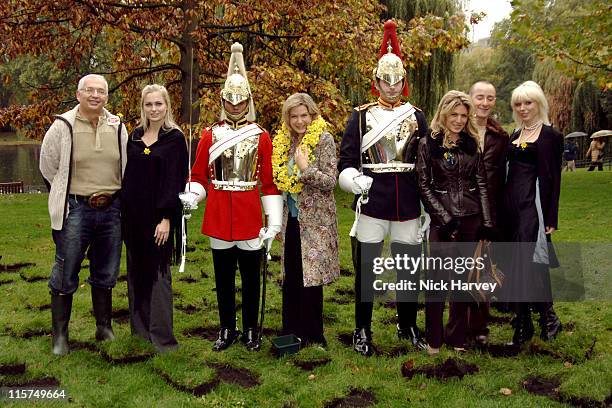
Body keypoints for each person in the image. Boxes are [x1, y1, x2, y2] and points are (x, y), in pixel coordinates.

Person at [182, 43, 282, 352]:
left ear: (248, 102)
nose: (236, 106)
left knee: (251, 278)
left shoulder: (261, 135)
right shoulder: (210, 135)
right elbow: (199, 176)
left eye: (241, 102)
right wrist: (191, 197)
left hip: (250, 214)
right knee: (223, 278)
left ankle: (251, 329)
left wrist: (273, 223)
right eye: (230, 101)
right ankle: (227, 328)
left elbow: (268, 183)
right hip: (219, 214)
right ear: (223, 101)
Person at [338, 20, 429, 356]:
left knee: (409, 268)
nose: (391, 86)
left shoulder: (417, 116)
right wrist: (354, 180)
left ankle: (407, 325)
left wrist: (427, 206)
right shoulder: (360, 116)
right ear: (376, 81)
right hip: (372, 201)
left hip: (406, 201)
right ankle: (362, 329)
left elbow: (424, 161)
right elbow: (346, 160)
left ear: (404, 82)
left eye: (397, 81)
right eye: (385, 80)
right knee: (367, 271)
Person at [39, 74, 128, 355]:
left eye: (100, 91)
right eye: (89, 90)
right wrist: (65, 194)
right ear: (78, 94)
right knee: (66, 270)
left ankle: (103, 328)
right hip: (76, 209)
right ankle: (60, 337)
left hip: (112, 208)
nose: (95, 95)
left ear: (106, 97)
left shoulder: (118, 126)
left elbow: (126, 164)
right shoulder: (62, 125)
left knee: (107, 269)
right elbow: (47, 166)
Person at [416, 90, 494, 354]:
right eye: (454, 115)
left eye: (464, 115)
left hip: (470, 221)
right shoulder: (429, 143)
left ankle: (457, 337)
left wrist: (486, 220)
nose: (459, 120)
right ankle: (434, 340)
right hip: (442, 223)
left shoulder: (472, 143)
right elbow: (423, 185)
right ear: (444, 114)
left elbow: (481, 183)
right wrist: (444, 218)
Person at [121, 84, 188, 352]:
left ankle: (162, 339)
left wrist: (166, 218)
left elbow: (175, 181)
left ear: (167, 106)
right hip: (133, 217)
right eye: (149, 104)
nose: (154, 109)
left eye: (158, 104)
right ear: (143, 107)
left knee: (158, 276)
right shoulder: (134, 136)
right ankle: (140, 332)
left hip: (159, 217)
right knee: (136, 273)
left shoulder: (174, 138)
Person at [272, 93, 339, 347]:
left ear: (313, 115)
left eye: (304, 115)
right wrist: (276, 220)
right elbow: (280, 182)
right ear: (287, 118)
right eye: (294, 116)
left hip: (316, 221)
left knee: (310, 278)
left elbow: (330, 181)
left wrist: (305, 169)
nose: (300, 122)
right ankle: (291, 330)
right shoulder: (284, 142)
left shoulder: (324, 139)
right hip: (291, 219)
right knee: (291, 276)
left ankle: (314, 335)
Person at [502, 80, 562, 345]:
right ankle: (525, 316)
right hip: (512, 207)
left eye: (528, 103)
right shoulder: (515, 135)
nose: (523, 108)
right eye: (518, 104)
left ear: (539, 104)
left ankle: (546, 317)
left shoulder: (550, 136)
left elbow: (554, 180)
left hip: (533, 207)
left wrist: (551, 217)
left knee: (533, 261)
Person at [468, 80, 509, 343]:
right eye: (480, 97)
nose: (485, 103)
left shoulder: (500, 136)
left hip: (490, 209)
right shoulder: (459, 130)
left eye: (490, 98)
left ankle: (481, 326)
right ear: (470, 98)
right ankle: (458, 324)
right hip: (463, 208)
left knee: (485, 266)